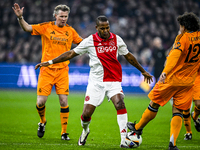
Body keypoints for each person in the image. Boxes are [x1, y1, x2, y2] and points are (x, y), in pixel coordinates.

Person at [35, 15, 153, 148]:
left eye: (107, 27)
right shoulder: (89, 41)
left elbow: (129, 56)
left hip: (113, 80)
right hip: (96, 83)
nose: (106, 30)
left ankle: (123, 140)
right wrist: (49, 62)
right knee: (86, 114)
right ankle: (85, 130)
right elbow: (70, 54)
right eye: (102, 28)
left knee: (120, 103)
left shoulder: (116, 39)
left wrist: (142, 70)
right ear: (97, 28)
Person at [127, 12, 200, 150]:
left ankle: (137, 128)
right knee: (177, 110)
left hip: (172, 79)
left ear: (184, 26)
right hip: (188, 82)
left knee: (154, 104)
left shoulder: (182, 38)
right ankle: (172, 144)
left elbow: (174, 56)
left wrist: (165, 71)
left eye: (180, 26)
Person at [12, 3, 83, 140]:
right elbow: (27, 28)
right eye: (61, 16)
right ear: (55, 16)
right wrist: (20, 18)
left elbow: (81, 43)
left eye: (66, 16)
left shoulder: (71, 31)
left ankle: (64, 132)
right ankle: (42, 121)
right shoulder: (46, 27)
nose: (63, 19)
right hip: (46, 70)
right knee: (40, 102)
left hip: (62, 70)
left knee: (63, 101)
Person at [183, 69, 200, 140]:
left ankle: (195, 117)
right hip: (185, 79)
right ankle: (188, 132)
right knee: (185, 108)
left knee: (199, 104)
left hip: (197, 79)